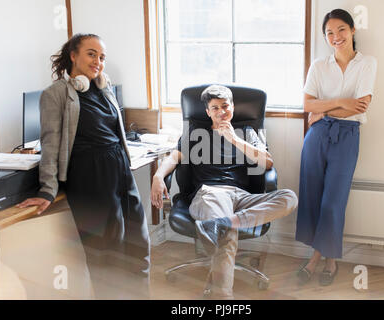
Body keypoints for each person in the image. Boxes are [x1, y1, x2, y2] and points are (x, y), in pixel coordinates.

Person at [17, 33, 150, 299]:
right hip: (90, 176)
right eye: (91, 54)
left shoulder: (104, 87)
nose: (98, 61)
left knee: (138, 243)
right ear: (73, 56)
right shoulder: (54, 94)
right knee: (106, 252)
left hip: (120, 171)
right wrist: (47, 190)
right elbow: (50, 144)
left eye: (102, 57)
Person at [151, 84, 298, 299]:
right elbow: (173, 158)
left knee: (289, 198)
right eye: (215, 107)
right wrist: (157, 176)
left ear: (233, 107)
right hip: (211, 194)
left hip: (242, 197)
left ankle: (226, 222)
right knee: (227, 234)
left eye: (225, 106)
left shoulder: (247, 132)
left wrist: (234, 139)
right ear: (207, 112)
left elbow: (267, 163)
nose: (221, 112)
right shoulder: (195, 133)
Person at [295, 9, 377, 286]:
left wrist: (325, 110)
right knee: (312, 198)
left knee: (333, 203)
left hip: (347, 137)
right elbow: (307, 105)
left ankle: (318, 260)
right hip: (316, 138)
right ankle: (326, 260)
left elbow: (361, 106)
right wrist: (343, 103)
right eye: (329, 32)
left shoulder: (367, 63)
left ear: (353, 30)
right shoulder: (319, 66)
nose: (336, 37)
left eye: (341, 29)